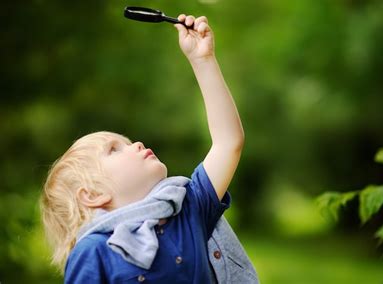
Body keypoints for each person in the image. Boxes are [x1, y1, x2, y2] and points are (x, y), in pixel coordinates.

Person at [40, 14, 258, 283]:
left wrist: (202, 60)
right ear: (93, 194)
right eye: (114, 149)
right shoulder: (94, 251)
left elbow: (228, 142)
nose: (136, 145)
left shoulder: (188, 207)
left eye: (128, 143)